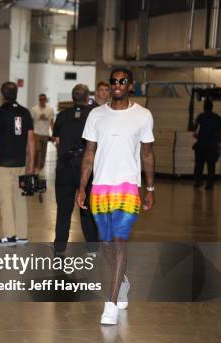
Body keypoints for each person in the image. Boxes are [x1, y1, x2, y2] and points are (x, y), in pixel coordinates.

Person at [77, 67, 155, 325]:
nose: (117, 84)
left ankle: (110, 304)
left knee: (119, 241)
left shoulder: (143, 115)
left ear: (130, 85)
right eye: (114, 81)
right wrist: (82, 187)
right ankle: (121, 280)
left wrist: (150, 188)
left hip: (128, 187)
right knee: (105, 244)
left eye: (123, 81)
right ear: (109, 86)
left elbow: (146, 154)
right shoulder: (96, 115)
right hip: (100, 187)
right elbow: (89, 154)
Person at [0, 82, 35, 246]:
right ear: (16, 93)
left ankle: (10, 236)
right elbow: (31, 139)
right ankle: (22, 236)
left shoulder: (1, 112)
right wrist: (31, 163)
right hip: (20, 164)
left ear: (2, 95)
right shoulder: (25, 112)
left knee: (6, 201)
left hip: (3, 165)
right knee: (20, 199)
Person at [51, 84, 99, 258]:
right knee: (86, 207)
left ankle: (59, 248)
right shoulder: (94, 116)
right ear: (88, 97)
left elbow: (56, 135)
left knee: (63, 209)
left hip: (64, 166)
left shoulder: (63, 115)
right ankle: (93, 247)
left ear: (73, 98)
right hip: (85, 166)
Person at [193, 99, 220, 190]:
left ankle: (198, 182)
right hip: (212, 146)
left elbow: (195, 131)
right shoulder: (217, 118)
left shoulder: (200, 117)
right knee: (211, 166)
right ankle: (210, 184)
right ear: (212, 107)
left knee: (199, 165)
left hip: (201, 145)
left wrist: (198, 136)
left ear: (204, 107)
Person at [30, 93, 54, 172]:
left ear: (46, 100)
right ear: (39, 100)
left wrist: (54, 133)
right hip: (36, 132)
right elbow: (31, 121)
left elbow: (51, 122)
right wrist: (31, 133)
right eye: (41, 99)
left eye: (44, 99)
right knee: (37, 149)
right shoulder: (34, 109)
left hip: (45, 134)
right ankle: (35, 165)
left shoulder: (50, 109)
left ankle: (40, 167)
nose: (42, 101)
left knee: (43, 152)